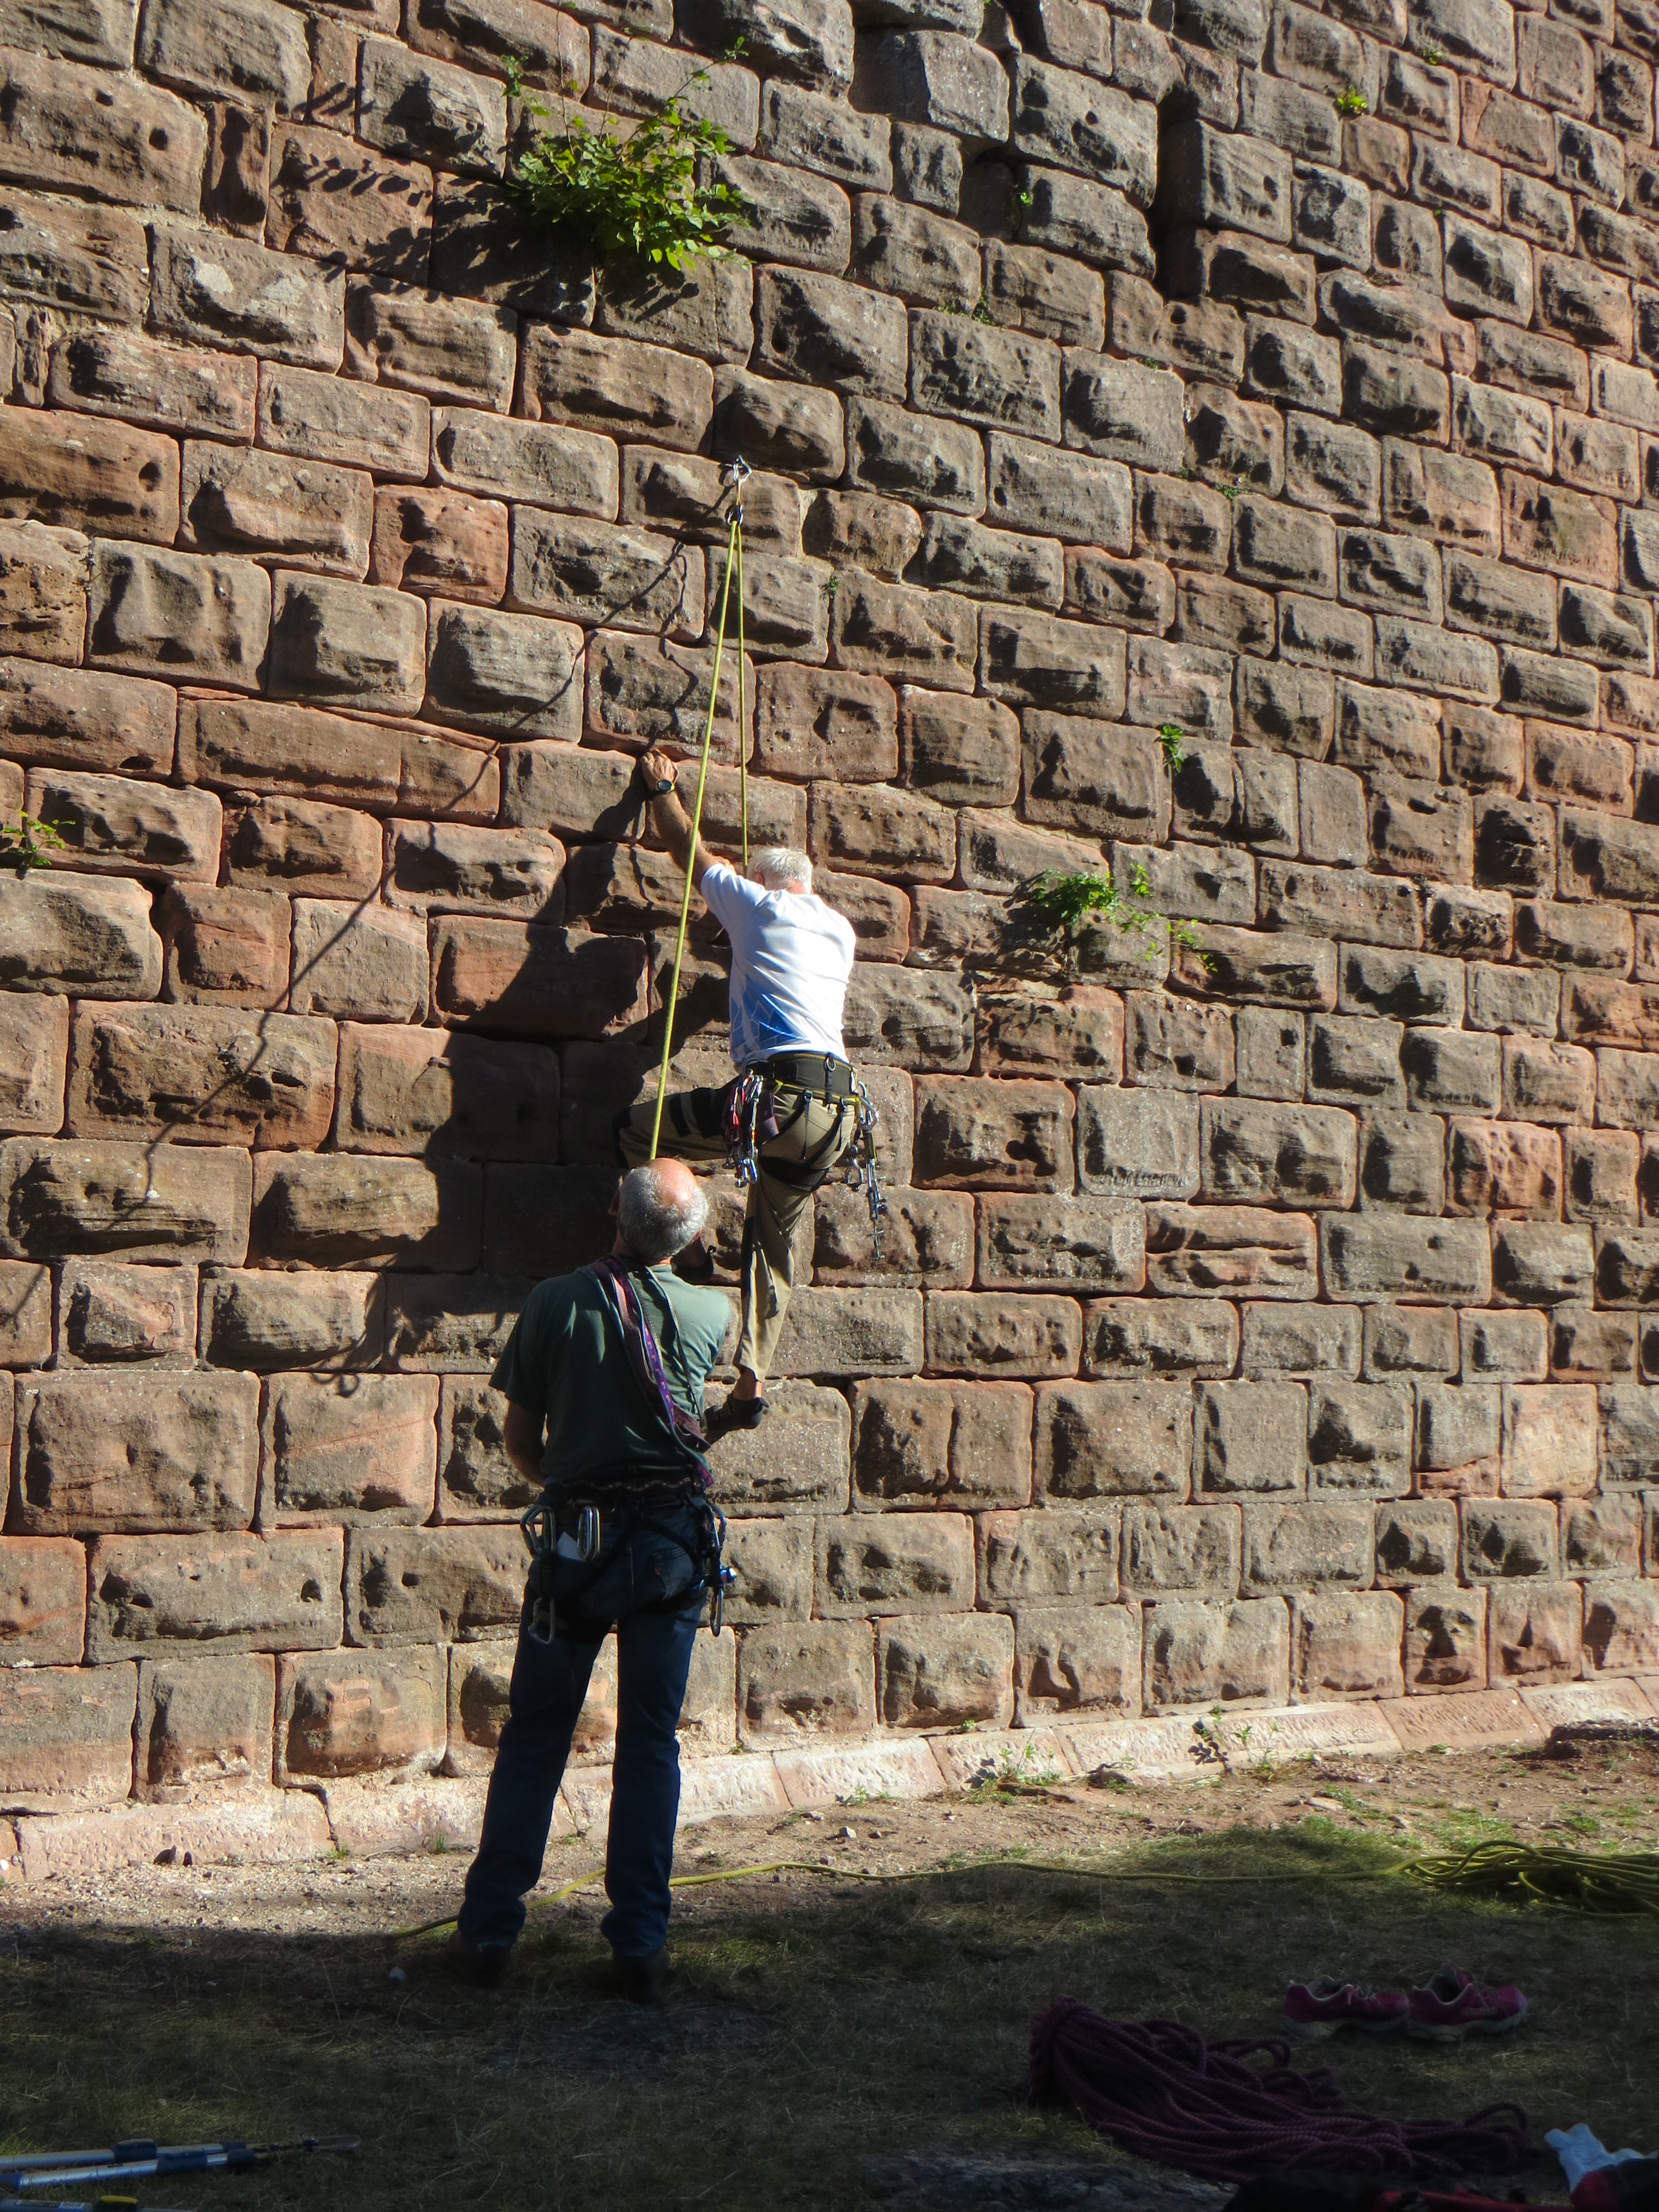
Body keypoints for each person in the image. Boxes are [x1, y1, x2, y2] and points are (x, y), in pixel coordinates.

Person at [447, 1158, 732, 2002]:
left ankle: (489, 1930)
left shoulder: (555, 1302)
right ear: (693, 1237)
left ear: (613, 1208)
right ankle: (639, 1942)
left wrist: (570, 1488)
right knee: (650, 1742)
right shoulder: (713, 1313)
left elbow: (520, 1442)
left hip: (578, 1545)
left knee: (536, 1735)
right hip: (670, 1548)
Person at [614, 744, 862, 1434]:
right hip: (837, 1113)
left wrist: (662, 790)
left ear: (763, 881)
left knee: (634, 1133)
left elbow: (688, 853)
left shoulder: (760, 904)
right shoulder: (839, 930)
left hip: (777, 1100)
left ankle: (690, 1250)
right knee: (772, 1239)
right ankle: (751, 1385)